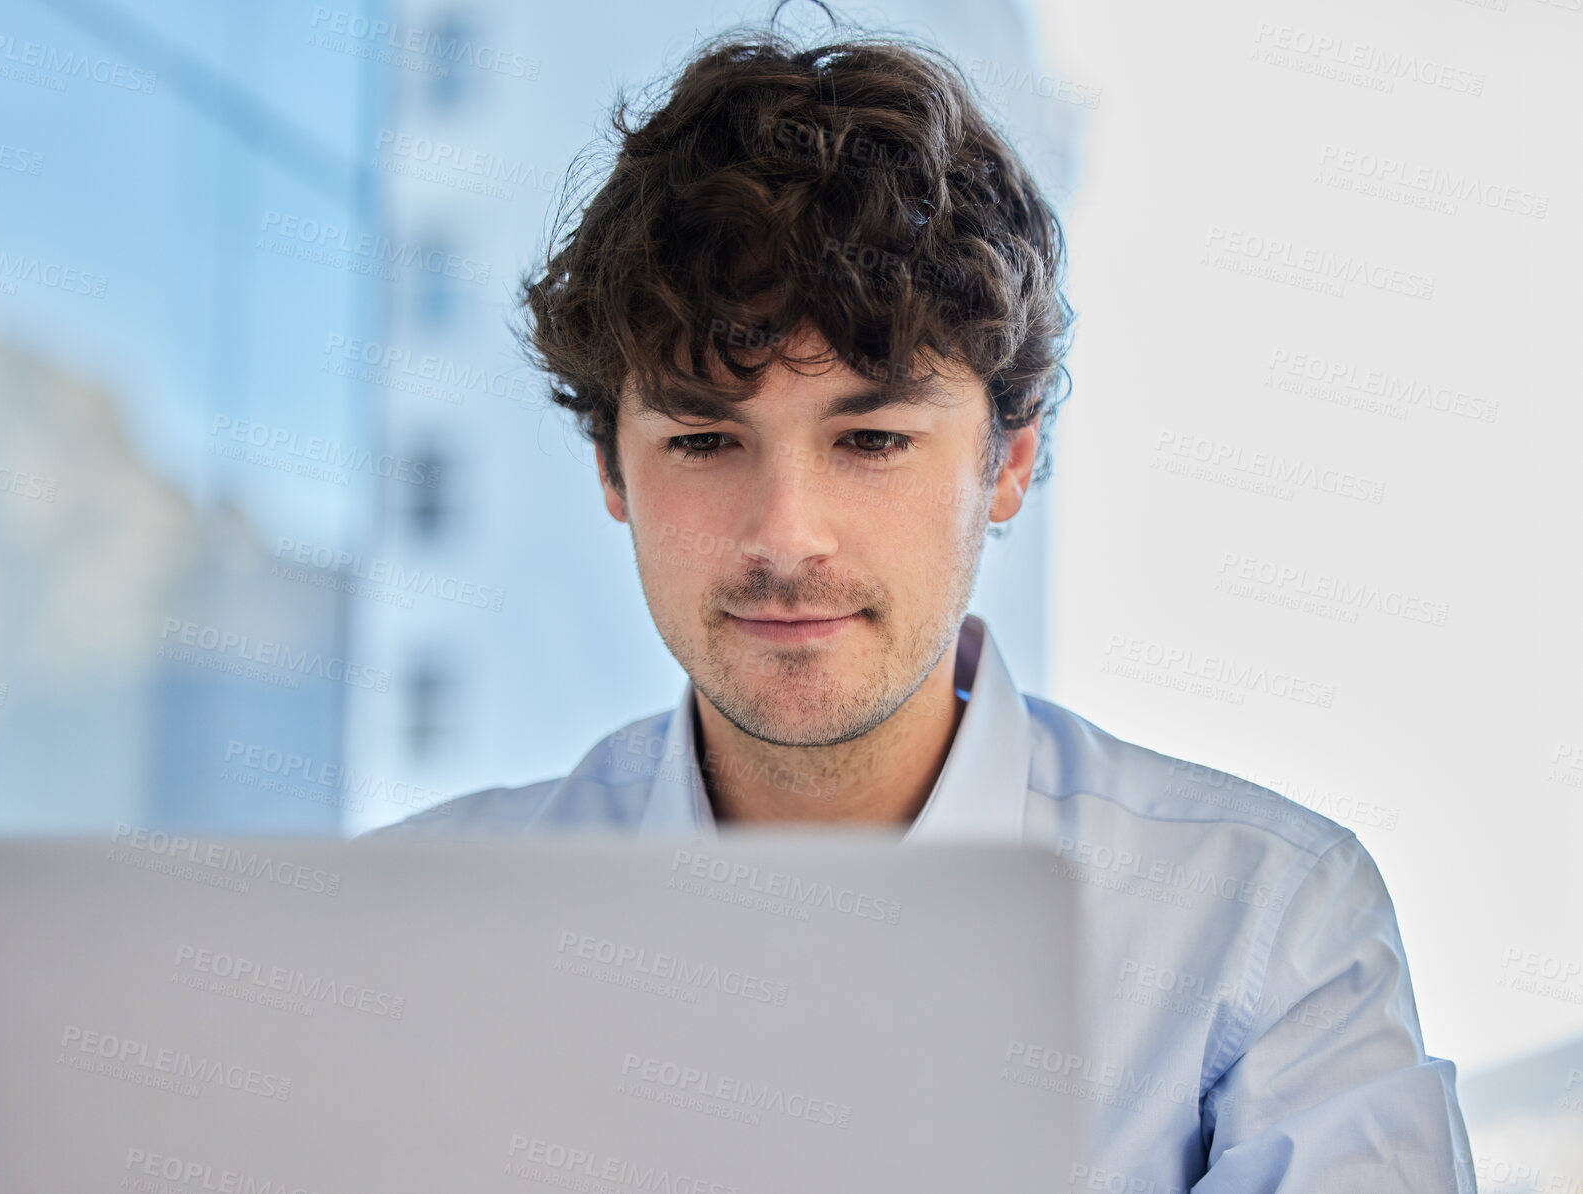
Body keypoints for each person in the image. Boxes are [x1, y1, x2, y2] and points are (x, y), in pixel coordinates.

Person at [364, 20, 1475, 1190]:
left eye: (873, 438)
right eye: (702, 439)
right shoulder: (407, 929)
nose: (785, 534)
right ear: (610, 471)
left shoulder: (1260, 927)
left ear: (1006, 460)